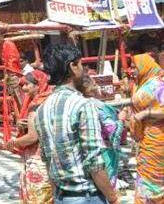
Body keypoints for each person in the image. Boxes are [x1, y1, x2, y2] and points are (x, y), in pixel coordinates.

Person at [34, 43, 118, 204]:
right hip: (86, 196)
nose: (83, 69)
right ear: (72, 66)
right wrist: (113, 198)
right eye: (80, 64)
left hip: (61, 196)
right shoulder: (83, 105)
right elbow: (93, 160)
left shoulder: (41, 110)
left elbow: (47, 159)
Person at [6, 70, 54, 204]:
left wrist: (14, 142)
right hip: (53, 156)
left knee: (38, 196)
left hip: (37, 158)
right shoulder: (51, 99)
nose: (24, 88)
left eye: (27, 84)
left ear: (38, 85)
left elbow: (33, 137)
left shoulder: (36, 105)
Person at [79, 74, 125, 189]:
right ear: (89, 88)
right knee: (106, 185)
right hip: (104, 151)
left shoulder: (79, 104)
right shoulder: (98, 106)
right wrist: (121, 120)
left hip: (84, 150)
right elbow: (113, 133)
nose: (98, 87)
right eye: (95, 84)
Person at [129, 53, 164, 204]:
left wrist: (145, 113)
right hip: (144, 139)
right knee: (144, 175)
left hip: (158, 140)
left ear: (145, 67)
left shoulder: (159, 85)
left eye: (134, 67)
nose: (131, 70)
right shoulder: (141, 83)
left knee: (155, 178)